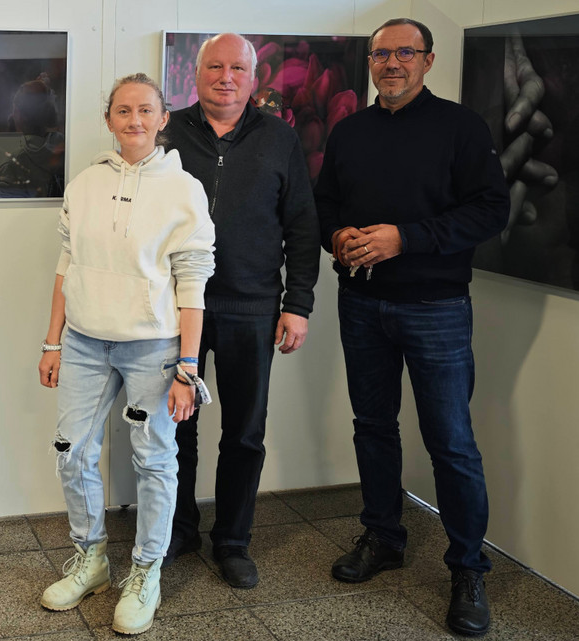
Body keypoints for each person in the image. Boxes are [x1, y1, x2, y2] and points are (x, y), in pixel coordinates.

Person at [315, 18, 509, 637]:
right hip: (361, 304)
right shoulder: (349, 131)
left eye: (405, 52)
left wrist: (407, 239)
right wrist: (337, 237)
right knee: (372, 426)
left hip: (437, 309)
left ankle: (467, 568)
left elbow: (490, 209)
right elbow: (325, 206)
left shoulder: (461, 127)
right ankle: (384, 536)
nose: (392, 63)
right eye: (381, 53)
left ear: (427, 60)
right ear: (370, 62)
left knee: (450, 441)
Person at [37, 73, 215, 636]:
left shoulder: (183, 188)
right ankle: (91, 559)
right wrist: (52, 341)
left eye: (146, 110)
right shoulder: (85, 182)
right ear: (109, 119)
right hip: (86, 342)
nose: (134, 120)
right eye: (122, 111)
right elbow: (68, 265)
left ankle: (145, 572)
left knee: (154, 460)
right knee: (72, 450)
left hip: (154, 349)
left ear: (164, 119)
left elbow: (193, 282)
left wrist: (188, 367)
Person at [162, 33, 319, 589]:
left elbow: (302, 226)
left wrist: (297, 305)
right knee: (174, 429)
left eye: (237, 68)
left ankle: (232, 541)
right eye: (214, 66)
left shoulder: (279, 138)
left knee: (245, 432)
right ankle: (178, 530)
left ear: (254, 79)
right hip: (176, 309)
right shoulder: (166, 132)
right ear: (197, 73)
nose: (225, 77)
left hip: (252, 307)